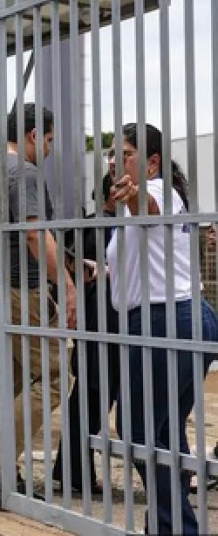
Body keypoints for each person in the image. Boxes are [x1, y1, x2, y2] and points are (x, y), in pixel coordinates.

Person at [106, 122, 218, 535]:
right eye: (111, 155)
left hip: (164, 320)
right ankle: (169, 524)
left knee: (137, 431)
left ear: (151, 162)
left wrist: (134, 194)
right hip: (186, 317)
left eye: (126, 153)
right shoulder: (155, 202)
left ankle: (175, 527)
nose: (116, 161)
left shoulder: (157, 190)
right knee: (165, 430)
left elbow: (147, 206)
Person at [0, 104, 75, 507]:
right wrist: (66, 283)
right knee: (57, 376)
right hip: (16, 290)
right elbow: (32, 233)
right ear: (31, 135)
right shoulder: (23, 172)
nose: (47, 149)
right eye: (47, 140)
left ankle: (1, 474)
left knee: (10, 382)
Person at [51, 173, 121, 495]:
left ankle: (71, 469)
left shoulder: (84, 227)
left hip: (88, 322)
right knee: (95, 399)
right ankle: (74, 470)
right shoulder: (111, 228)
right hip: (109, 324)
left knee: (87, 398)